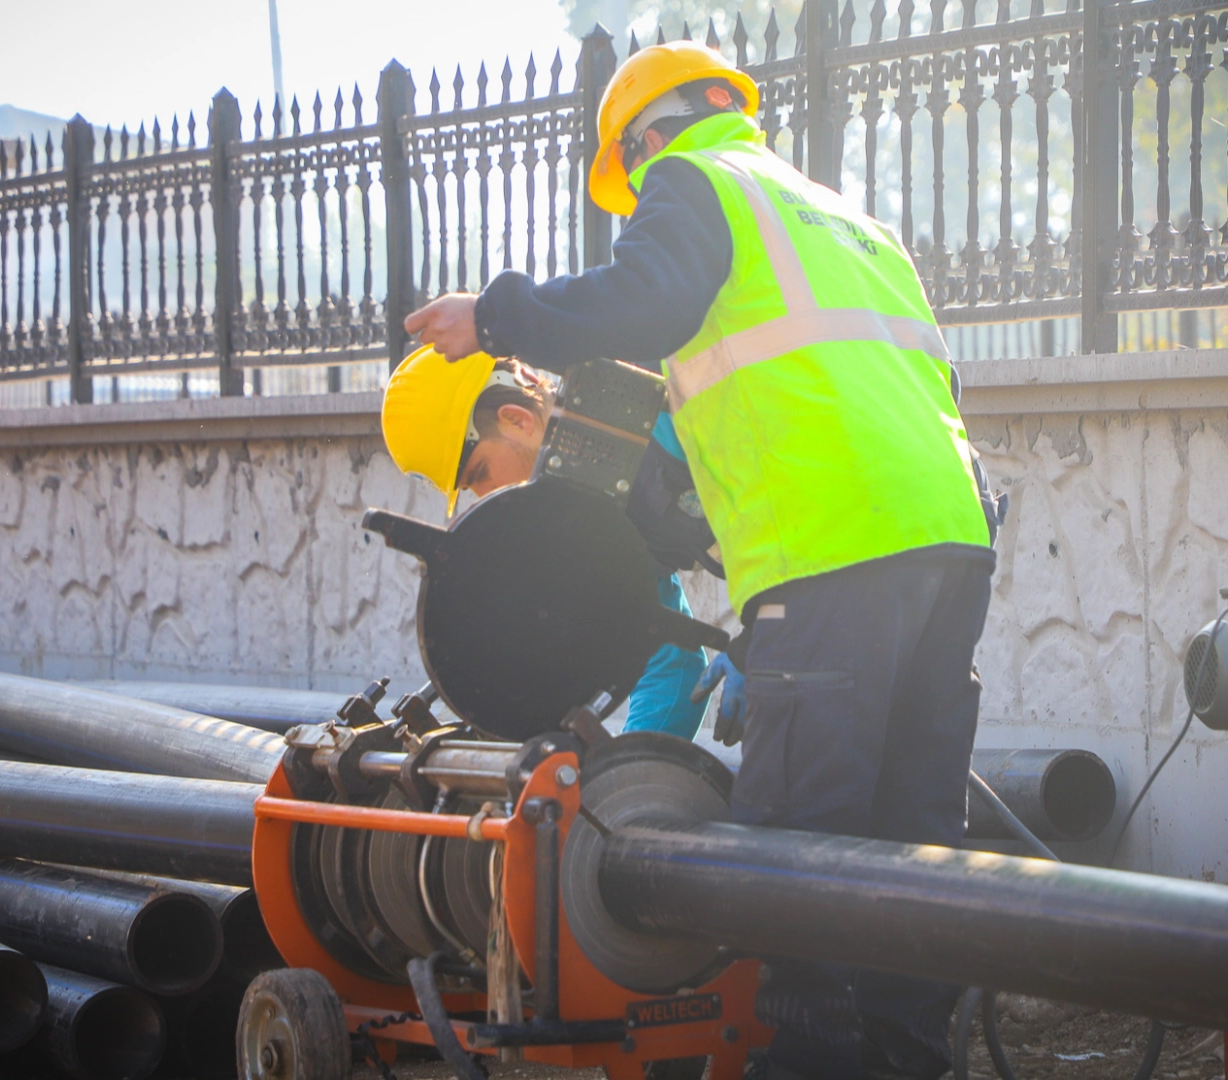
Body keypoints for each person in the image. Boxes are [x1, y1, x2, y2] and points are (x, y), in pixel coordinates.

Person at [402, 37, 995, 1080]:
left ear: (645, 140)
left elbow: (644, 302)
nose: (634, 199)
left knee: (791, 858)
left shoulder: (694, 179)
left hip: (831, 549)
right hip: (946, 539)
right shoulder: (842, 218)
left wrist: (496, 315)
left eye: (628, 178)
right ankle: (910, 1064)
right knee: (910, 846)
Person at [380, 345, 739, 742]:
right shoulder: (587, 514)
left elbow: (798, 494)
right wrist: (623, 782)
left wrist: (773, 623)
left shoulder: (662, 409)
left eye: (479, 474)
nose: (484, 496)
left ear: (516, 421)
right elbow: (671, 665)